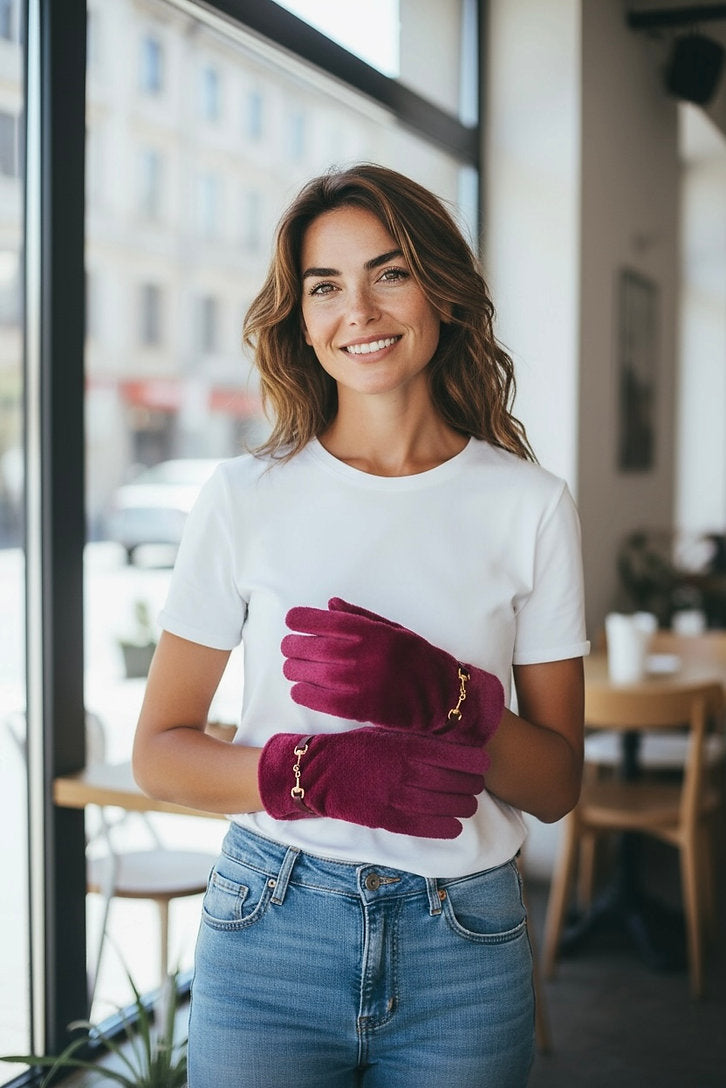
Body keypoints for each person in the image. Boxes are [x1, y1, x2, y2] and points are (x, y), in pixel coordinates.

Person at [132, 163, 589, 1088]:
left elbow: (556, 783)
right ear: (300, 316)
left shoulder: (531, 506)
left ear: (441, 290)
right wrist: (313, 773)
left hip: (463, 944)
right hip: (270, 929)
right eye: (325, 285)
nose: (360, 311)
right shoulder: (243, 498)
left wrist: (453, 702)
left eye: (390, 272)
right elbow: (161, 752)